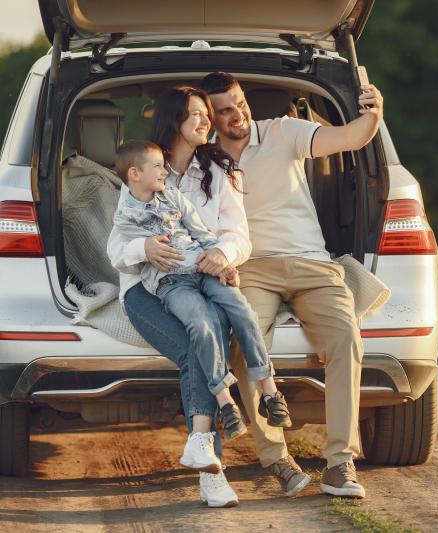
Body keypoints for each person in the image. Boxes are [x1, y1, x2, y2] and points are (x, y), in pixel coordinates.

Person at [107, 87, 310, 508]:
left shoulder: (220, 170)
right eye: (196, 114)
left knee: (214, 327)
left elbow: (238, 235)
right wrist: (142, 250)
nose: (206, 121)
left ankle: (206, 454)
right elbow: (117, 248)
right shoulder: (146, 168)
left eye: (206, 114)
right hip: (148, 287)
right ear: (173, 121)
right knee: (197, 345)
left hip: (204, 272)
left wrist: (223, 254)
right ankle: (211, 470)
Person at [200, 71, 384, 499]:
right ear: (209, 117)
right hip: (251, 269)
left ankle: (340, 463)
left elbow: (350, 137)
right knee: (247, 345)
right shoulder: (202, 161)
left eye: (240, 103)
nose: (238, 115)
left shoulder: (283, 131)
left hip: (312, 265)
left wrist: (373, 114)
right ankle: (278, 461)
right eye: (224, 110)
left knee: (345, 337)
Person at [111, 138, 292, 443]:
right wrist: (143, 248)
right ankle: (225, 401)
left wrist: (223, 262)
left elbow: (202, 234)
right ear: (134, 174)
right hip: (171, 283)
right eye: (157, 166)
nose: (164, 173)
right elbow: (127, 255)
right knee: (201, 324)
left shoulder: (173, 197)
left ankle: (270, 391)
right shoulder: (125, 218)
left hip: (204, 269)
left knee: (242, 311)